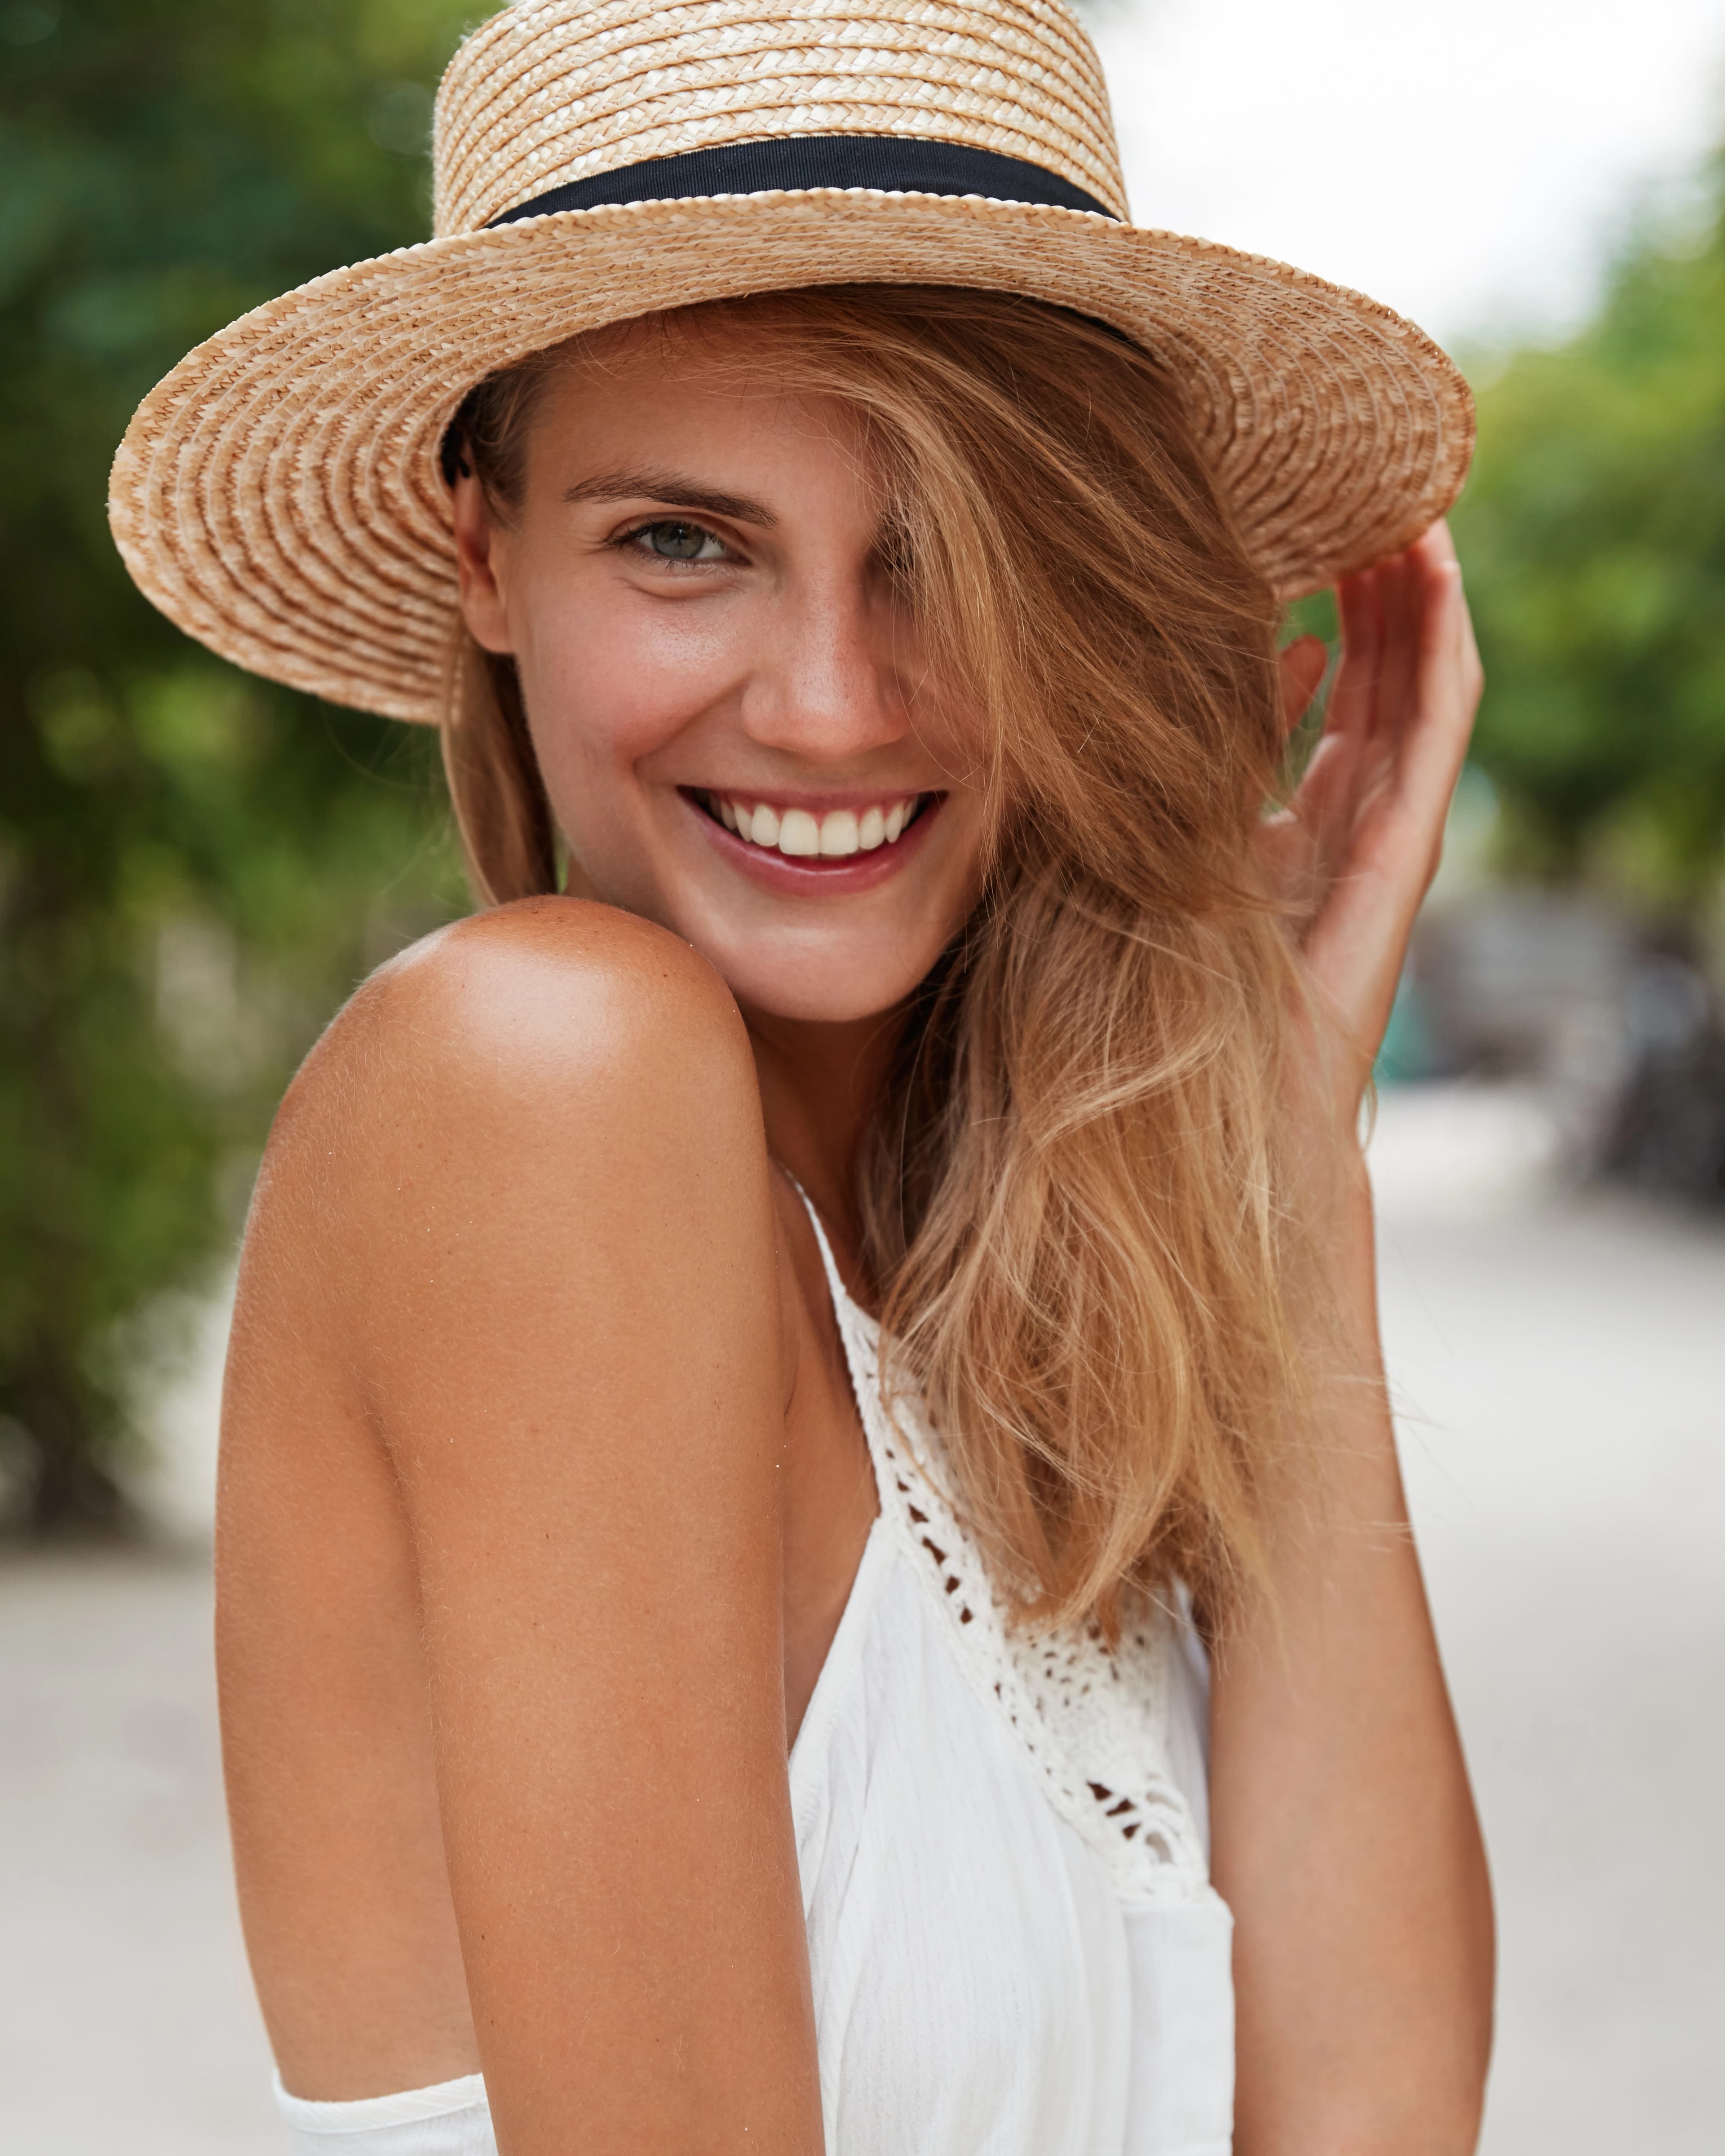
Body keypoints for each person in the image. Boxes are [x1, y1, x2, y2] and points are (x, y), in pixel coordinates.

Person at [111, 1, 1493, 2150]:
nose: (837, 706)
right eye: (684, 540)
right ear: (484, 551)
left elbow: (1374, 2118)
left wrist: (1287, 1155)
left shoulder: (997, 1302)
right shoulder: (542, 1073)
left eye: (943, 549)